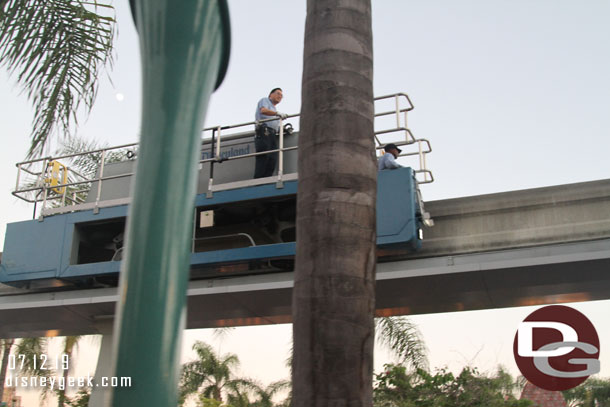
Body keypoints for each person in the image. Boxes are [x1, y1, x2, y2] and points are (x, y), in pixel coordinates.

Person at [254, 88, 288, 178]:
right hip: (264, 132)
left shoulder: (274, 109)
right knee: (264, 156)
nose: (280, 96)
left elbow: (274, 123)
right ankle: (258, 180)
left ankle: (266, 179)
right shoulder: (265, 100)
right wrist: (277, 114)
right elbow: (263, 110)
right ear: (270, 95)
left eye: (281, 95)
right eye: (278, 93)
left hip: (272, 134)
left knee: (272, 158)